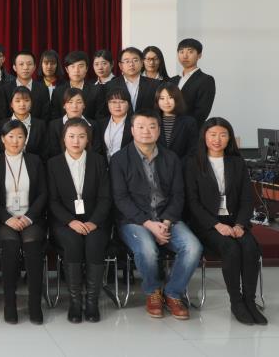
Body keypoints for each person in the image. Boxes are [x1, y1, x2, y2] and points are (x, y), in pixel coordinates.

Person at [110, 109, 202, 320]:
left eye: (152, 127)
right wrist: (149, 224)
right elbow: (121, 199)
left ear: (159, 131)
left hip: (166, 217)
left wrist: (166, 222)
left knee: (193, 247)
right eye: (141, 127)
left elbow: (178, 195)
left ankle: (173, 292)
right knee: (147, 250)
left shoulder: (171, 158)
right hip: (134, 220)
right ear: (132, 130)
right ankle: (153, 291)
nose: (146, 131)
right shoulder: (119, 159)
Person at [185, 118, 267, 325]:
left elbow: (247, 199)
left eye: (223, 135)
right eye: (212, 134)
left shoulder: (237, 163)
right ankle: (236, 302)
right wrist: (217, 225)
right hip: (207, 224)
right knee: (230, 248)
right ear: (204, 137)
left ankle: (250, 301)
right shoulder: (193, 163)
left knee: (250, 247)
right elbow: (193, 203)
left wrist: (239, 225)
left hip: (235, 221)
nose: (217, 139)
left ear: (229, 138)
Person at [47, 118, 111, 323]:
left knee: (94, 242)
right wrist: (70, 221)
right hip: (65, 222)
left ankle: (92, 302)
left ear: (88, 139)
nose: (76, 141)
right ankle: (75, 302)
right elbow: (52, 200)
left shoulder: (98, 161)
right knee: (73, 242)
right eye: (71, 136)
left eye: (81, 136)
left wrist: (94, 222)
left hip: (95, 221)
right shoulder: (53, 163)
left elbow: (105, 198)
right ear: (64, 139)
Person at [0, 119, 47, 325]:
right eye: (10, 136)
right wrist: (7, 218)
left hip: (31, 218)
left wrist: (28, 217)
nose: (15, 141)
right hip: (3, 220)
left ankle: (34, 304)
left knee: (32, 244)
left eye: (20, 136)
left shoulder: (35, 161)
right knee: (10, 244)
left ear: (25, 140)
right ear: (3, 139)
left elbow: (43, 194)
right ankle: (9, 303)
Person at [169, 38, 216, 127]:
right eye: (181, 52)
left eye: (190, 52)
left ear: (199, 55)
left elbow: (202, 112)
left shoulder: (206, 80)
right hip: (169, 127)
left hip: (190, 129)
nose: (185, 56)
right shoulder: (172, 80)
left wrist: (183, 127)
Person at [46, 88, 102, 159]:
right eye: (70, 102)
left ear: (84, 105)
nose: (74, 106)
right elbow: (54, 152)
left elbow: (96, 150)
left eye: (79, 102)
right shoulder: (54, 126)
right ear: (64, 105)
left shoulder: (93, 125)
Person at [103, 47, 159, 116]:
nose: (131, 64)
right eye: (127, 61)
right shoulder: (110, 86)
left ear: (142, 63)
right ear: (120, 66)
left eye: (135, 60)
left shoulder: (155, 85)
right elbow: (104, 113)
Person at [50, 51, 103, 121]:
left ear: (86, 69)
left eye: (80, 66)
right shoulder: (58, 92)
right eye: (73, 66)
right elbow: (55, 119)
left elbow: (99, 118)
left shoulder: (96, 91)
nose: (76, 70)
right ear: (67, 69)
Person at [155, 82, 198, 160]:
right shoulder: (153, 121)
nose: (166, 102)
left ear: (177, 99)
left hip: (181, 165)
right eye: (162, 98)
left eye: (170, 97)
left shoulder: (189, 122)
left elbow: (193, 150)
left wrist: (178, 165)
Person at [5, 50, 50, 121]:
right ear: (14, 67)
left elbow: (45, 115)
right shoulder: (5, 89)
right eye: (21, 64)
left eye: (29, 64)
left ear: (34, 67)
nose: (25, 67)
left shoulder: (43, 89)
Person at [5, 86, 47, 161]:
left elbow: (45, 152)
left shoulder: (40, 125)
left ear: (31, 103)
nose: (22, 104)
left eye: (26, 100)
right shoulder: (1, 124)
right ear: (11, 104)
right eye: (17, 101)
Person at [98, 88, 133, 160]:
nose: (117, 106)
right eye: (113, 102)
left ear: (128, 104)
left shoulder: (134, 123)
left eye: (122, 102)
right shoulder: (100, 123)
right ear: (108, 104)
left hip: (126, 163)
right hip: (105, 164)